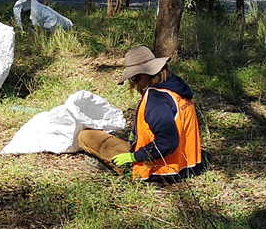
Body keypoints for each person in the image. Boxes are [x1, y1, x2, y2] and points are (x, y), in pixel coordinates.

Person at [77, 46, 205, 183]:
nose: (135, 83)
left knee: (86, 136)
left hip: (158, 171)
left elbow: (168, 141)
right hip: (189, 165)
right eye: (132, 79)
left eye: (136, 78)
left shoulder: (156, 99)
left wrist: (135, 157)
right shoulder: (177, 87)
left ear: (151, 72)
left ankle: (113, 165)